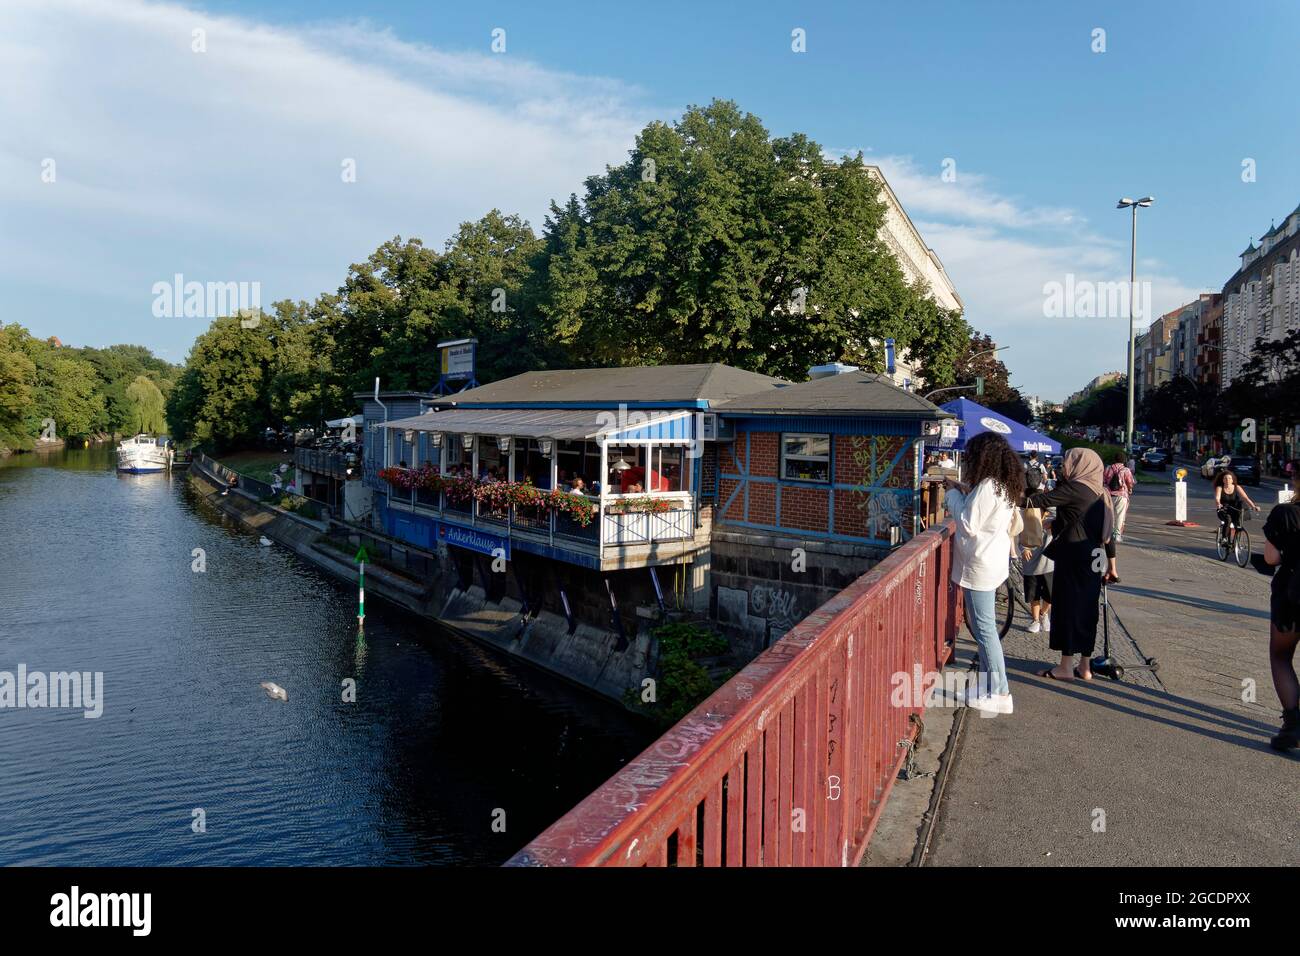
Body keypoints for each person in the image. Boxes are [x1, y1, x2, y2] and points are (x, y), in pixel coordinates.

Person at [942, 432, 1023, 716]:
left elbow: (967, 523)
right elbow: (982, 511)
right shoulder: (1002, 485)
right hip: (991, 562)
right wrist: (964, 490)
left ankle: (1001, 692)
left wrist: (951, 495)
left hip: (981, 565)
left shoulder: (988, 486)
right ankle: (991, 686)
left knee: (985, 629)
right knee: (984, 628)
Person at [1026, 447, 1113, 681]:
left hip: (1073, 557)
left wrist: (1010, 494)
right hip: (1095, 559)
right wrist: (1113, 567)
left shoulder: (1076, 488)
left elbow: (1039, 500)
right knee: (1087, 611)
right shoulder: (1101, 492)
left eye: (1068, 460)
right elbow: (1101, 530)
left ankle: (1065, 667)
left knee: (1066, 608)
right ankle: (1085, 666)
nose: (1065, 465)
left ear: (1080, 464)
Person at [1262, 477, 1300, 750]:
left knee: (1281, 656)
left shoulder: (1284, 513)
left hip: (1292, 592)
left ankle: (1292, 725)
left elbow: (1271, 559)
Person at [1019, 502, 1053, 634]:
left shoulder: (1051, 524)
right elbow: (1020, 540)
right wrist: (1024, 549)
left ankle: (1043, 614)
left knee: (1050, 595)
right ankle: (1035, 620)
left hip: (1048, 564)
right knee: (1034, 595)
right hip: (1031, 565)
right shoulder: (1026, 520)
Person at [1214, 470, 1260, 546]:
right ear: (1223, 480)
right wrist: (1219, 504)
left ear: (1232, 480)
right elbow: (1217, 498)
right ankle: (1224, 538)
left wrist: (1253, 506)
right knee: (1228, 519)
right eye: (1225, 478)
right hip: (1224, 509)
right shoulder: (1220, 488)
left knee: (1238, 523)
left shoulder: (1237, 487)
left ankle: (1236, 541)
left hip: (1235, 509)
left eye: (1229, 478)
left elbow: (1245, 498)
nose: (1227, 480)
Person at [1103, 457, 1134, 544]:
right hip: (1122, 495)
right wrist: (1130, 489)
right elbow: (1130, 482)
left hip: (1108, 495)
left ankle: (1109, 533)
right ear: (1123, 460)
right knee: (1120, 515)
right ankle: (1117, 535)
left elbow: (1103, 480)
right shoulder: (1126, 470)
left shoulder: (1108, 468)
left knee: (1109, 515)